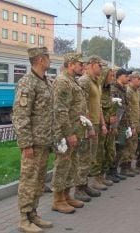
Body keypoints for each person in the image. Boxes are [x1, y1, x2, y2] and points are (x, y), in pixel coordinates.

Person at [13, 47, 53, 233]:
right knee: (28, 180)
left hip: (44, 141)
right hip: (33, 143)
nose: (49, 60)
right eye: (47, 57)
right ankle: (23, 218)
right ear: (40, 60)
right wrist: (26, 144)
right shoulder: (27, 83)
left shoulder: (46, 82)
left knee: (38, 181)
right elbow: (21, 116)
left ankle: (33, 214)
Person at [51, 53, 88, 214]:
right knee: (62, 165)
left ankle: (66, 196)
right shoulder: (62, 82)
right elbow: (60, 111)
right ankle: (58, 200)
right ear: (71, 64)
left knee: (72, 164)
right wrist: (69, 133)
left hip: (74, 130)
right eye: (80, 64)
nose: (83, 67)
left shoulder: (73, 81)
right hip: (64, 133)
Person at [77, 55, 107, 197]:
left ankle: (85, 185)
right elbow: (82, 107)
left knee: (90, 157)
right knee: (84, 157)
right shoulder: (84, 81)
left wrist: (102, 124)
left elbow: (98, 105)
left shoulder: (96, 82)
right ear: (92, 64)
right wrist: (88, 127)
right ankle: (79, 189)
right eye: (100, 66)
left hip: (95, 123)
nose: (101, 68)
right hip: (87, 125)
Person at [110, 68, 134, 177]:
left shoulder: (123, 89)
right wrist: (114, 126)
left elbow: (126, 108)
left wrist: (129, 124)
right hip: (117, 124)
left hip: (124, 123)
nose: (128, 78)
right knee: (116, 147)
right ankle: (111, 171)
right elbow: (114, 109)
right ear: (119, 76)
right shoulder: (114, 89)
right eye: (126, 76)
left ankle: (115, 170)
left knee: (121, 146)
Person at [123, 71, 140, 174]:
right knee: (129, 145)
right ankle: (125, 167)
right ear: (133, 79)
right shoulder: (129, 91)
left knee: (134, 145)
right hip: (131, 123)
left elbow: (137, 108)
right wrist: (131, 125)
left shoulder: (137, 91)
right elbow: (128, 109)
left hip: (137, 121)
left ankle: (129, 166)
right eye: (138, 79)